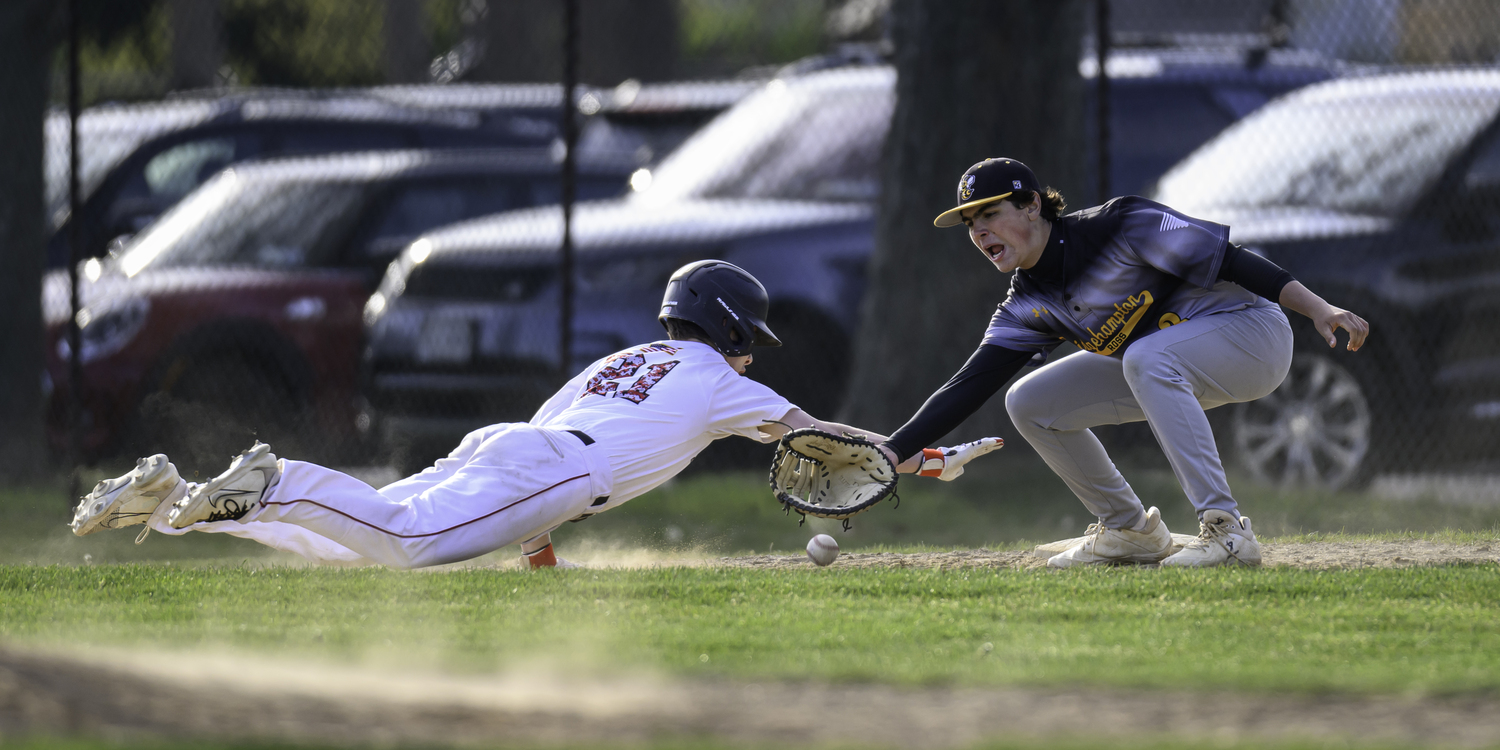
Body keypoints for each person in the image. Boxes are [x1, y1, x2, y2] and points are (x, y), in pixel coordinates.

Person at [71, 260, 1004, 569]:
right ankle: (275, 478)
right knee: (406, 545)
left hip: (525, 448)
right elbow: (829, 444)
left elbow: (539, 458)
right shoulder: (723, 379)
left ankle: (176, 499)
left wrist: (541, 547)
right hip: (556, 465)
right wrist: (927, 458)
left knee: (349, 544)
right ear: (725, 327)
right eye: (748, 335)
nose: (753, 351)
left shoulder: (625, 359)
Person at [876, 158, 1369, 568]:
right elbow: (970, 383)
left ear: (1031, 206)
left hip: (1253, 334)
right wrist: (892, 453)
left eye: (990, 212)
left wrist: (1319, 309)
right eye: (970, 223)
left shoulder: (1117, 226)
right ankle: (1130, 530)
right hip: (1165, 363)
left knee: (1146, 354)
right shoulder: (1027, 301)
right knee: (1029, 401)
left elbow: (1234, 260)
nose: (979, 230)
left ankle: (1226, 532)